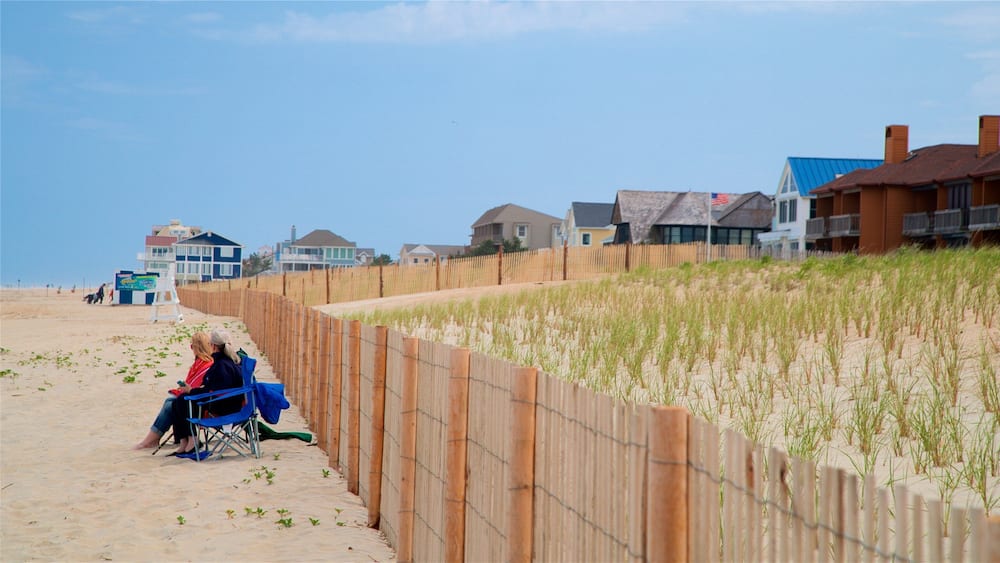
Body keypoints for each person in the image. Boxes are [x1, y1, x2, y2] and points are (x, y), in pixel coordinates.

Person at [169, 328, 244, 456]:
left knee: (182, 400)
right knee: (179, 400)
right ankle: (184, 442)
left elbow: (215, 390)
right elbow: (214, 388)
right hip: (228, 402)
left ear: (213, 346)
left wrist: (192, 390)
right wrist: (192, 391)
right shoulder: (227, 361)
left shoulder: (222, 365)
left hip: (224, 406)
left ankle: (192, 440)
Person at [133, 331, 214, 449]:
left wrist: (186, 389)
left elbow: (196, 387)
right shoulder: (199, 364)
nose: (191, 348)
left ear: (198, 347)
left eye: (192, 346)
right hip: (197, 399)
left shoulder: (207, 365)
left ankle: (151, 441)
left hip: (202, 404)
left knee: (171, 404)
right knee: (171, 402)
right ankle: (165, 439)